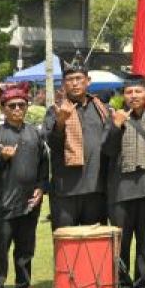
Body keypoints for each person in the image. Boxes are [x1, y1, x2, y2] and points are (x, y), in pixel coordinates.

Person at [101, 75, 145, 288]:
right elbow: (108, 152)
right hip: (120, 190)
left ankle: (143, 283)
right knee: (122, 240)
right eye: (129, 92)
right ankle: (122, 283)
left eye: (138, 92)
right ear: (123, 96)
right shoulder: (112, 120)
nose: (134, 96)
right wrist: (116, 126)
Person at [0, 84, 46, 288]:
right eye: (12, 105)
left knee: (26, 245)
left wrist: (41, 187)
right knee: (1, 245)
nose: (17, 109)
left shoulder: (34, 134)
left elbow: (43, 164)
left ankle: (23, 284)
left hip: (29, 200)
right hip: (2, 200)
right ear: (3, 109)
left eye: (21, 104)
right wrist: (2, 157)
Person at [44, 54, 111, 227]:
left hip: (96, 188)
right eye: (70, 79)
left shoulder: (102, 109)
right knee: (67, 247)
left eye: (79, 78)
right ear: (63, 83)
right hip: (65, 190)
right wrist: (61, 121)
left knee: (95, 247)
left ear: (88, 81)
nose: (74, 83)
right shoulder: (55, 110)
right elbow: (53, 144)